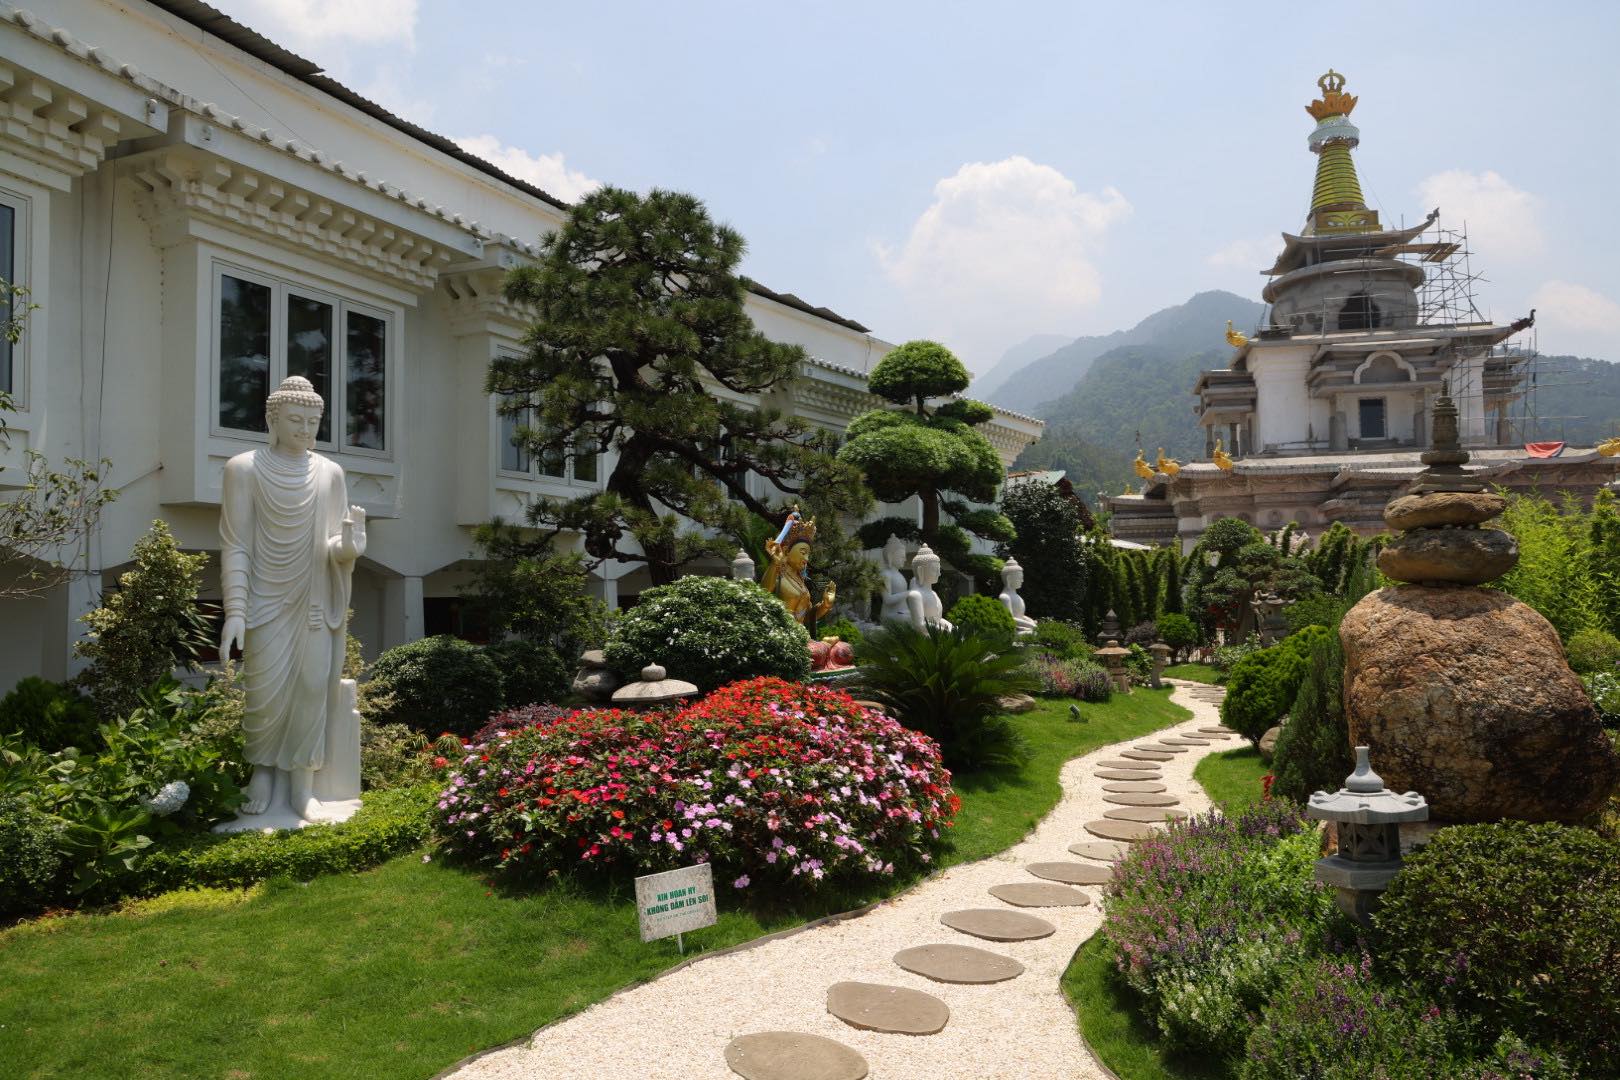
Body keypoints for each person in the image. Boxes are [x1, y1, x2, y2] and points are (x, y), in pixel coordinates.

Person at [219, 375, 366, 824]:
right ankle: (262, 774)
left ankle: (303, 785)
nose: (305, 429)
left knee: (310, 690)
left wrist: (348, 548)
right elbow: (236, 545)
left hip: (315, 602)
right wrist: (235, 610)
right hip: (265, 600)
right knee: (263, 695)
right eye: (295, 419)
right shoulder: (243, 468)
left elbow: (334, 543)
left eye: (312, 421)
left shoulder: (330, 473)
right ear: (273, 419)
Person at [761, 509, 834, 623]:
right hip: (780, 630)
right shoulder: (779, 573)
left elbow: (806, 617)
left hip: (798, 632)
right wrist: (775, 563)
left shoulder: (800, 582)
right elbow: (762, 594)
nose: (806, 559)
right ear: (786, 551)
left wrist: (825, 606)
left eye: (808, 554)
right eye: (803, 553)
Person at [878, 534, 911, 623]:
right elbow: (887, 600)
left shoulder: (900, 575)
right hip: (890, 615)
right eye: (901, 556)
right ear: (890, 556)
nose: (905, 559)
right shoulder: (885, 575)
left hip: (902, 613)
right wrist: (909, 593)